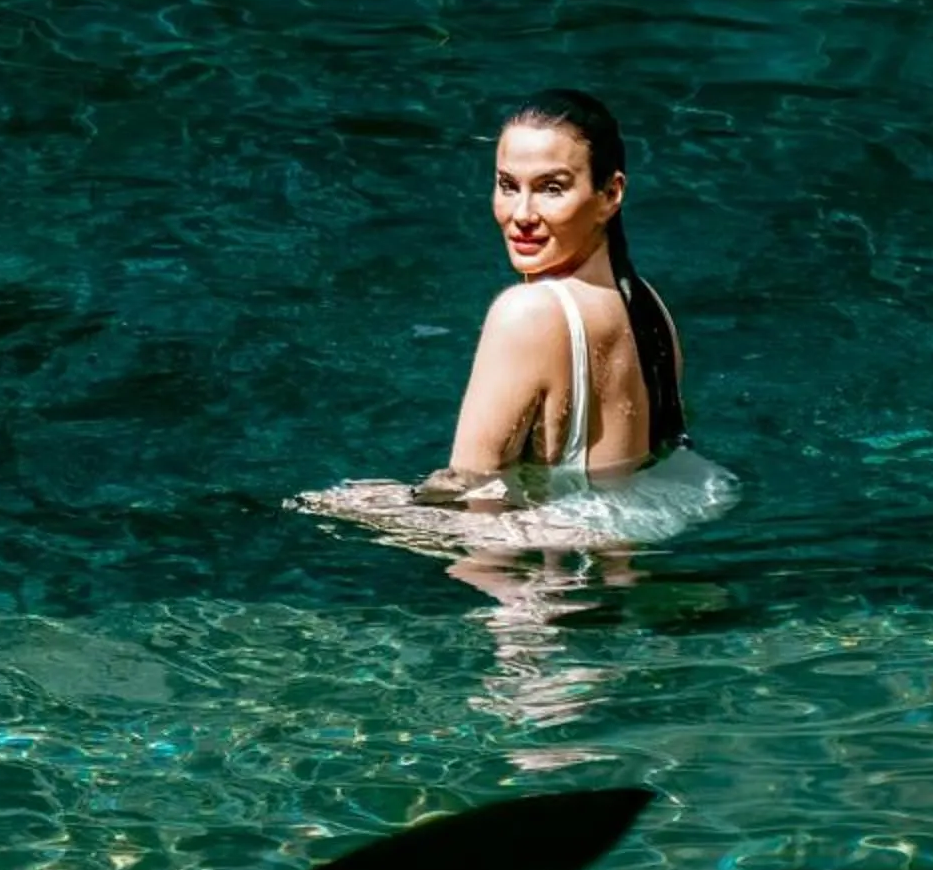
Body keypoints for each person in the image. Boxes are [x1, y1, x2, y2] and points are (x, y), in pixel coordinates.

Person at [297, 90, 737, 554]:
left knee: (317, 504)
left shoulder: (526, 314)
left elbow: (471, 501)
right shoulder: (648, 304)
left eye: (552, 187)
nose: (521, 215)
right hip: (631, 553)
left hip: (547, 591)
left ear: (611, 194)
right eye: (508, 185)